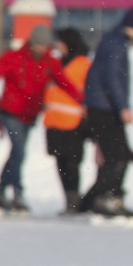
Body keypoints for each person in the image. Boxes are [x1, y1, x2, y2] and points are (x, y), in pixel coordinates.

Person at [0, 22, 83, 216]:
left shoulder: (50, 61)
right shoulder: (13, 58)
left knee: (17, 154)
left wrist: (81, 99)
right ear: (32, 43)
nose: (42, 49)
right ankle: (18, 193)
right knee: (19, 151)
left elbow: (63, 82)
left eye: (45, 46)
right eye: (39, 45)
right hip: (11, 112)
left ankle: (0, 192)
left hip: (30, 114)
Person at [80, 6, 133, 218]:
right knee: (118, 156)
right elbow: (113, 78)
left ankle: (93, 200)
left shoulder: (110, 40)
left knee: (116, 155)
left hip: (101, 106)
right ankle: (107, 198)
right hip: (105, 107)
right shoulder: (117, 44)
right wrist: (122, 107)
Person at [42, 28, 91, 214]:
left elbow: (88, 91)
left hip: (73, 121)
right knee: (60, 163)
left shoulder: (83, 64)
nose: (58, 45)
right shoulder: (55, 63)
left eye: (61, 42)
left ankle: (74, 199)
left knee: (72, 163)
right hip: (54, 121)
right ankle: (69, 199)